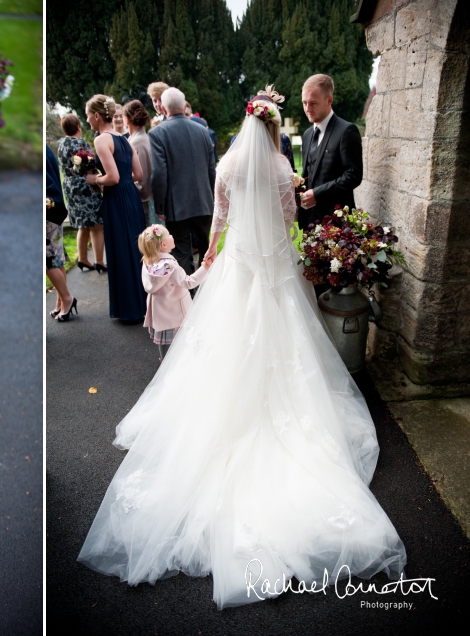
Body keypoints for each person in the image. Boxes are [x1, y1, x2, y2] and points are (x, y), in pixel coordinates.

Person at [77, 85, 406, 608]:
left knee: (220, 351)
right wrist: (293, 258)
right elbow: (290, 223)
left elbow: (219, 223)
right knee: (291, 350)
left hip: (237, 270)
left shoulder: (226, 167)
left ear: (246, 123)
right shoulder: (281, 169)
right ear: (274, 125)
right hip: (274, 269)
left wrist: (211, 258)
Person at [84, 94, 147, 323]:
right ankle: (143, 304)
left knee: (121, 250)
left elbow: (112, 177)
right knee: (136, 250)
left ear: (98, 115)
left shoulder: (102, 140)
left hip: (116, 199)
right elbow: (138, 175)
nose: (88, 120)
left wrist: (95, 180)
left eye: (89, 115)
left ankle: (129, 309)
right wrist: (123, 181)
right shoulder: (125, 139)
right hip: (131, 196)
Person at [148, 87, 215, 274]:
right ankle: (206, 290)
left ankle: (187, 296)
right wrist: (210, 198)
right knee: (205, 248)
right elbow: (211, 170)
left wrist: (160, 206)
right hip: (204, 202)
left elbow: (160, 173)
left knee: (181, 252)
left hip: (177, 206)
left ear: (163, 108)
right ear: (185, 105)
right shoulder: (203, 131)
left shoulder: (157, 133)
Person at [298, 73, 363, 231]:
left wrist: (318, 195)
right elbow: (308, 173)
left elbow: (353, 176)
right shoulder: (307, 134)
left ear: (329, 100)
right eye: (304, 103)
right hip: (310, 222)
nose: (307, 109)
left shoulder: (346, 131)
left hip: (338, 225)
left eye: (313, 103)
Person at [138, 224, 208, 361]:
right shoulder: (171, 266)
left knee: (165, 342)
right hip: (176, 311)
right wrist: (205, 268)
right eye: (169, 234)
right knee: (186, 337)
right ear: (164, 244)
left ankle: (164, 360)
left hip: (161, 313)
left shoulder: (148, 262)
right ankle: (189, 361)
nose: (172, 236)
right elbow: (188, 282)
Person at [57, 114, 105, 272]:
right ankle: (99, 261)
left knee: (82, 225)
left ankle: (83, 259)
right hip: (85, 186)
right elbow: (91, 164)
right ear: (78, 127)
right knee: (96, 226)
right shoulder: (81, 144)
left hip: (70, 187)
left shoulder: (61, 145)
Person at [45, 146, 76, 322]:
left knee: (47, 261)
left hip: (47, 209)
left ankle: (66, 298)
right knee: (56, 257)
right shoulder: (47, 149)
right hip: (54, 207)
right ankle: (60, 301)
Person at [123, 100, 155, 227]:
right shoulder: (137, 139)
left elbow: (142, 176)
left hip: (143, 202)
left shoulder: (137, 142)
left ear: (127, 119)